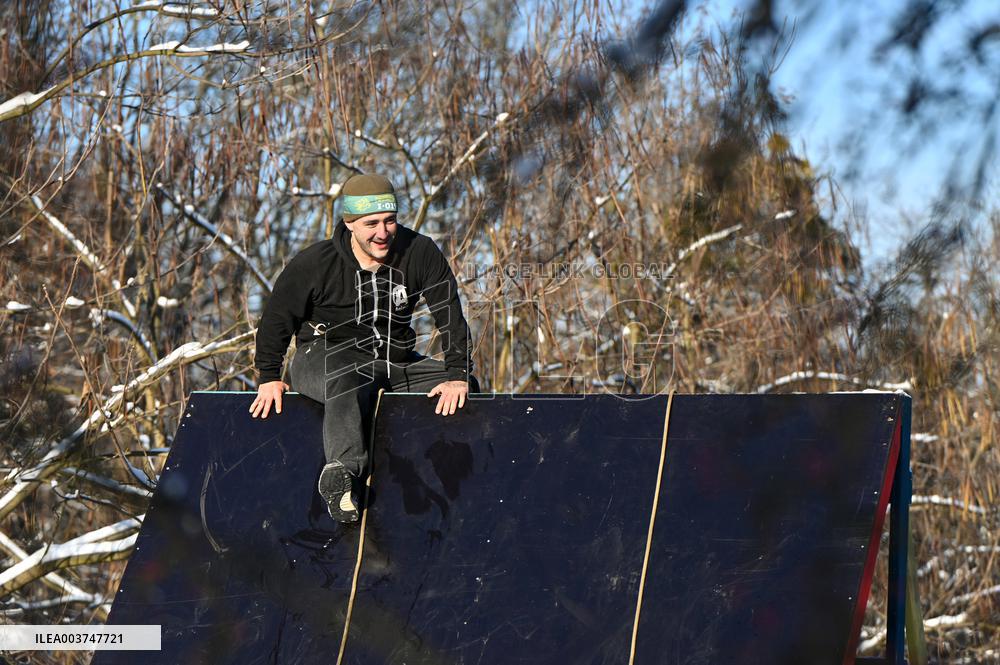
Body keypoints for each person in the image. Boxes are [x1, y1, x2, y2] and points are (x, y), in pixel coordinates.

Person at [249, 173, 478, 522]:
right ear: (350, 223)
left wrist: (458, 375)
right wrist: (268, 375)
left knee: (462, 389)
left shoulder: (419, 252)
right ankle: (342, 473)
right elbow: (276, 319)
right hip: (323, 359)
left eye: (390, 221)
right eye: (372, 223)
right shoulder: (315, 264)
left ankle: (448, 479)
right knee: (349, 374)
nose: (383, 233)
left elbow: (450, 316)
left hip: (391, 363)